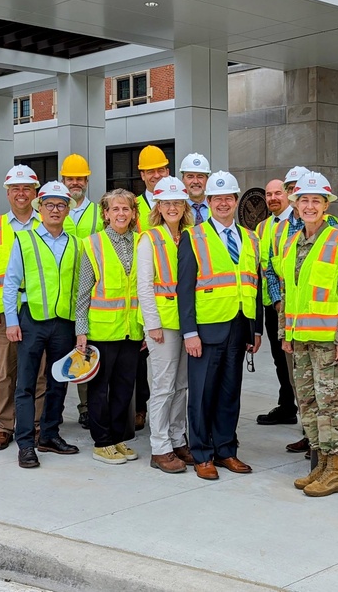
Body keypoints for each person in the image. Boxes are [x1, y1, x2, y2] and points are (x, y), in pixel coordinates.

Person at [279, 172, 338, 497]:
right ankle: (321, 464)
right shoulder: (292, 243)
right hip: (300, 340)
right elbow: (288, 293)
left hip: (330, 343)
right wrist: (285, 331)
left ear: (326, 205)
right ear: (295, 205)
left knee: (332, 407)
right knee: (310, 405)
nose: (309, 206)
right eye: (304, 200)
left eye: (316, 200)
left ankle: (337, 470)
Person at [177, 171, 263, 481]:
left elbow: (256, 285)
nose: (223, 203)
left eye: (228, 197)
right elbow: (184, 289)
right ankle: (202, 454)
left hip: (239, 328)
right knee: (201, 395)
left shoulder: (251, 237)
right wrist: (189, 332)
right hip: (206, 330)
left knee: (230, 393)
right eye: (217, 198)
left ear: (235, 200)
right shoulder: (193, 237)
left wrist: (256, 329)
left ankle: (226, 450)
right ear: (209, 202)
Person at [3, 181, 81, 469]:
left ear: (67, 210)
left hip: (64, 323)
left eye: (61, 205)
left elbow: (79, 288)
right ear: (40, 208)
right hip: (32, 321)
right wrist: (12, 321)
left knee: (58, 381)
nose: (55, 210)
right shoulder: (24, 239)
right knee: (25, 385)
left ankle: (49, 435)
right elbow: (10, 284)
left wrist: (79, 326)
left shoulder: (75, 243)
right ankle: (25, 444)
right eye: (50, 205)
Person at [265, 165, 338, 456]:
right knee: (303, 388)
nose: (307, 204)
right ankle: (310, 438)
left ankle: (325, 450)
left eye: (313, 198)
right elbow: (272, 268)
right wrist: (279, 303)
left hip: (323, 325)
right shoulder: (279, 231)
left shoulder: (333, 227)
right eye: (299, 194)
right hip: (293, 320)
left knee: (326, 394)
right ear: (292, 198)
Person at [0, 165, 47, 451]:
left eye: (27, 188)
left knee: (39, 372)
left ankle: (36, 425)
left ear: (35, 193)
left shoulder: (47, 223)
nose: (21, 193)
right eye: (15, 188)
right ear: (7, 193)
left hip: (39, 311)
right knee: (5, 372)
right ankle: (5, 426)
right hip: (4, 314)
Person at [74, 188, 144, 465]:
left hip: (131, 330)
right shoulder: (93, 244)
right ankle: (102, 441)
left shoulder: (142, 242)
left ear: (133, 213)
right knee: (99, 389)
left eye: (126, 208)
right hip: (101, 330)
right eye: (115, 209)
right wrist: (81, 331)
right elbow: (83, 293)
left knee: (125, 388)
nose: (120, 214)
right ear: (105, 214)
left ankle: (117, 438)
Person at [138, 176, 196, 473]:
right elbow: (144, 286)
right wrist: (152, 325)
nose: (172, 207)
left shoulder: (189, 235)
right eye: (166, 203)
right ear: (157, 206)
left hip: (187, 323)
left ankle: (176, 438)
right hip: (163, 324)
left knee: (182, 385)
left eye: (177, 202)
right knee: (163, 386)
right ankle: (160, 447)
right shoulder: (150, 238)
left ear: (184, 205)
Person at [59, 153, 105, 430]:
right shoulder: (51, 209)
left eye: (80, 178)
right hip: (60, 294)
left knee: (86, 352)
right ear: (62, 180)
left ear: (87, 180)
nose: (75, 183)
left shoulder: (100, 212)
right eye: (70, 178)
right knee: (58, 355)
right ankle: (53, 409)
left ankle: (86, 407)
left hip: (91, 295)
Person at [255, 178, 299, 427]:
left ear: (288, 194)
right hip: (272, 304)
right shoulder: (262, 227)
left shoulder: (300, 221)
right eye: (268, 194)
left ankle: (299, 409)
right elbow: (265, 266)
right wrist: (275, 301)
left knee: (295, 360)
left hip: (295, 303)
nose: (272, 198)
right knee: (279, 358)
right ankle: (287, 405)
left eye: (277, 193)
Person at [134, 144, 171, 429]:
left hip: (169, 303)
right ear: (142, 174)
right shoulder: (133, 207)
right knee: (137, 364)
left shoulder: (174, 203)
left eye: (161, 169)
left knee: (166, 371)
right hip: (139, 295)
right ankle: (140, 409)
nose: (156, 175)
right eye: (151, 171)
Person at [179, 152, 211, 225]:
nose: (196, 181)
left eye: (200, 176)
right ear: (183, 179)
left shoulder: (217, 208)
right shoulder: (176, 209)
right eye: (190, 176)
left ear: (207, 179)